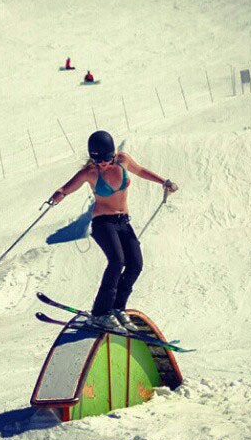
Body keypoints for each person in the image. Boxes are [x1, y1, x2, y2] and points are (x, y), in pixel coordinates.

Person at [48, 130, 178, 333]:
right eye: (98, 160)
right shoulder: (90, 172)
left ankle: (117, 308)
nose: (103, 164)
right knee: (117, 261)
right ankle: (101, 313)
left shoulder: (123, 160)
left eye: (107, 159)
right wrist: (58, 195)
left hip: (123, 222)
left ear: (113, 152)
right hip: (103, 223)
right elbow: (67, 188)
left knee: (135, 264)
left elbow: (141, 171)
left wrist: (164, 182)